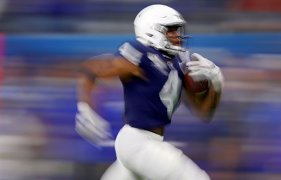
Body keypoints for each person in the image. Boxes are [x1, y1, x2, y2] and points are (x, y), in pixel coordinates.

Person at [75, 4, 223, 180]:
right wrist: (86, 107)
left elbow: (204, 112)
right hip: (137, 141)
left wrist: (216, 83)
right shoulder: (142, 53)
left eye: (178, 30)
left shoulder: (179, 62)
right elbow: (91, 70)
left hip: (146, 144)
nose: (177, 36)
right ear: (151, 31)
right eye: (171, 31)